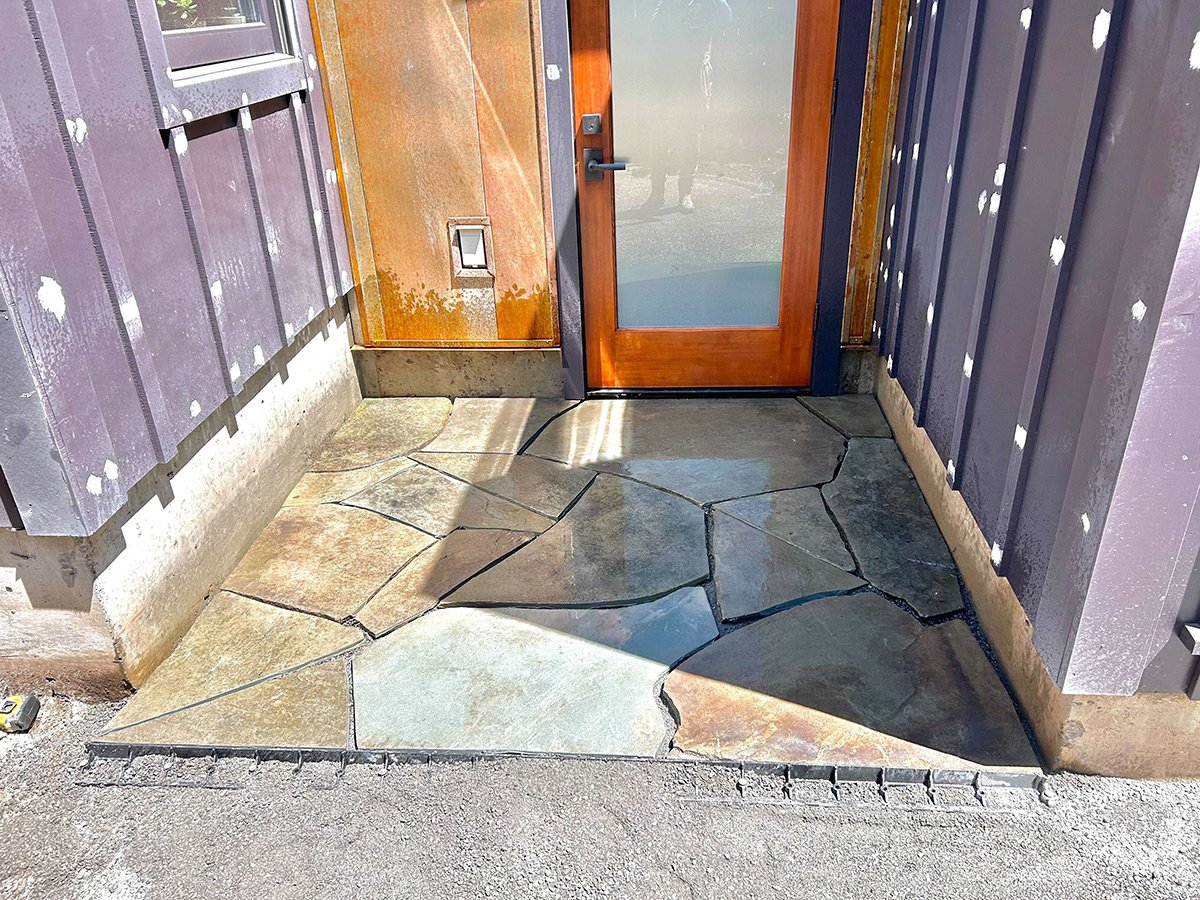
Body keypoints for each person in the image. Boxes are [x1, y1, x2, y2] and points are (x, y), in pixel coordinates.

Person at [641, 0, 733, 213]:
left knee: (691, 138)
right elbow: (652, 24)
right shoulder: (669, 4)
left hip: (696, 80)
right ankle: (657, 193)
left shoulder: (711, 5)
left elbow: (727, 18)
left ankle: (685, 193)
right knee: (660, 137)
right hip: (668, 79)